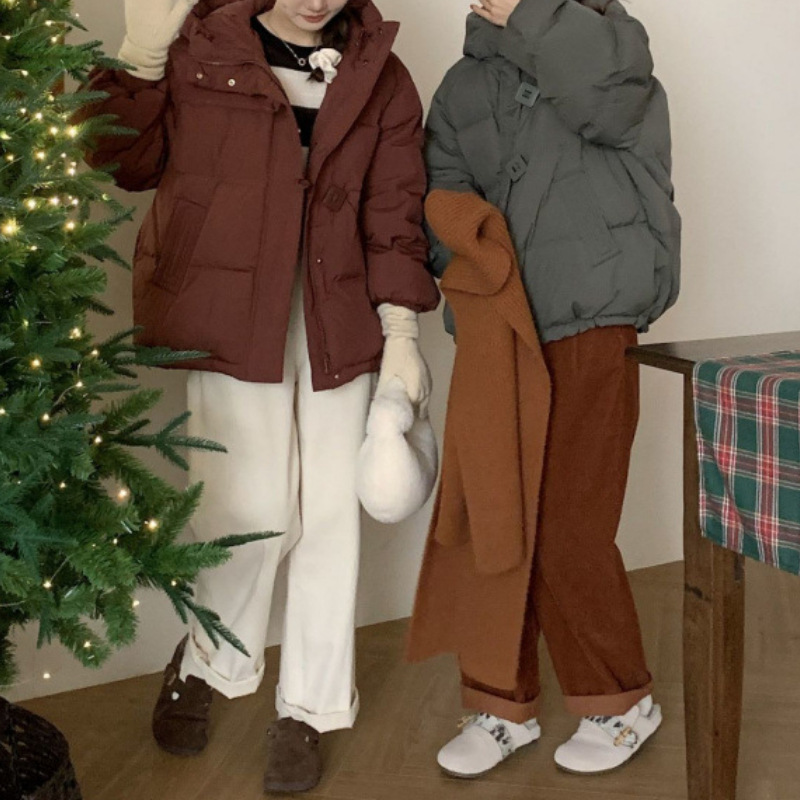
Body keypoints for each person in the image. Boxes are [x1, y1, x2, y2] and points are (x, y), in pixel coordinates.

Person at [77, 0, 439, 792]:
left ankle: (308, 707)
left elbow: (394, 214)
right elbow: (120, 157)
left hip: (336, 315)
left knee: (332, 516)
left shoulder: (383, 76)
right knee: (245, 512)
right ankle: (207, 659)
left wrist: (402, 330)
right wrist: (140, 56)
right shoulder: (202, 49)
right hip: (229, 313)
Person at [407, 0, 681, 779]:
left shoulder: (611, 40)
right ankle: (499, 706)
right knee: (493, 514)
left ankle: (619, 700)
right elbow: (439, 197)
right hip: (500, 324)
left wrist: (533, 15)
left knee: (569, 523)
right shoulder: (461, 86)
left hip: (594, 311)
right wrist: (466, 244)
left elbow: (605, 101)